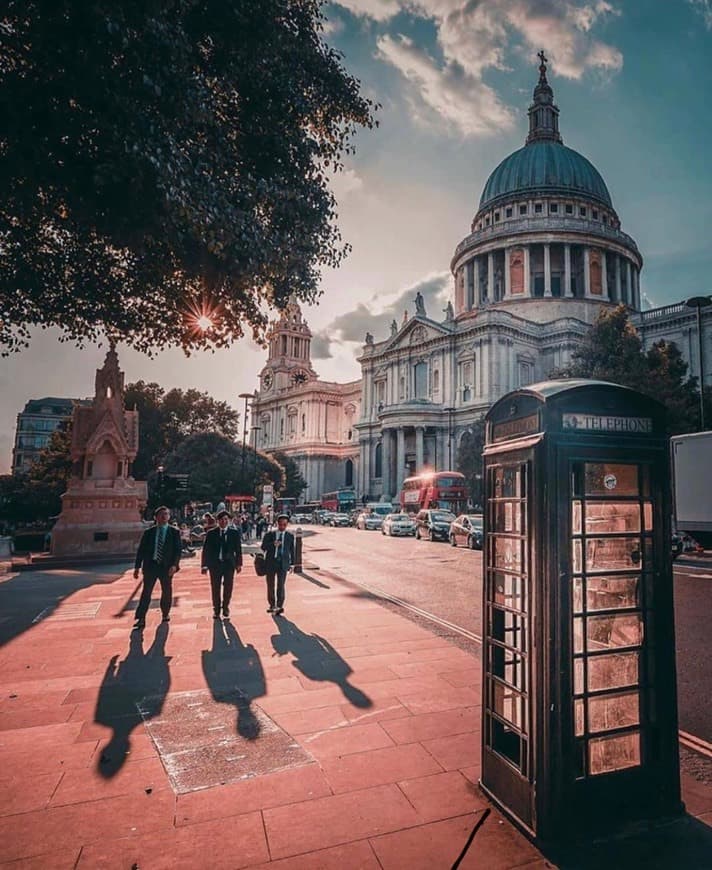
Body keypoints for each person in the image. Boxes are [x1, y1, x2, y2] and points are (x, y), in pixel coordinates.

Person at [132, 505, 182, 630]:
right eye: (161, 515)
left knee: (166, 591)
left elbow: (178, 550)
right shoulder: (149, 533)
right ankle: (141, 618)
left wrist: (175, 565)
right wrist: (137, 567)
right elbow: (141, 550)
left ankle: (165, 613)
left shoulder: (174, 532)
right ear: (156, 517)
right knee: (146, 592)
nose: (164, 517)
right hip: (151, 566)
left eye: (166, 514)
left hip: (166, 567)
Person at [201, 509, 243, 619]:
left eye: (226, 519)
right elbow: (206, 550)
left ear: (229, 521)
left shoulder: (234, 533)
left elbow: (238, 550)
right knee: (215, 587)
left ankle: (225, 607)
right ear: (218, 521)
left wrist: (239, 564)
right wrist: (204, 565)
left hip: (229, 564)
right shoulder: (211, 533)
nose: (224, 522)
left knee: (228, 587)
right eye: (221, 520)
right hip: (215, 564)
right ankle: (216, 609)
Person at [260, 513, 295, 616]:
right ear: (277, 524)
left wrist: (292, 564)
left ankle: (279, 606)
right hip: (271, 562)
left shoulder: (289, 536)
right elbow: (263, 547)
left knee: (281, 585)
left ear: (287, 524)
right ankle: (272, 604)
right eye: (280, 524)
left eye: (284, 524)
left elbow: (292, 550)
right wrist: (272, 545)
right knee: (270, 585)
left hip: (283, 563)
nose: (282, 527)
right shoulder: (269, 535)